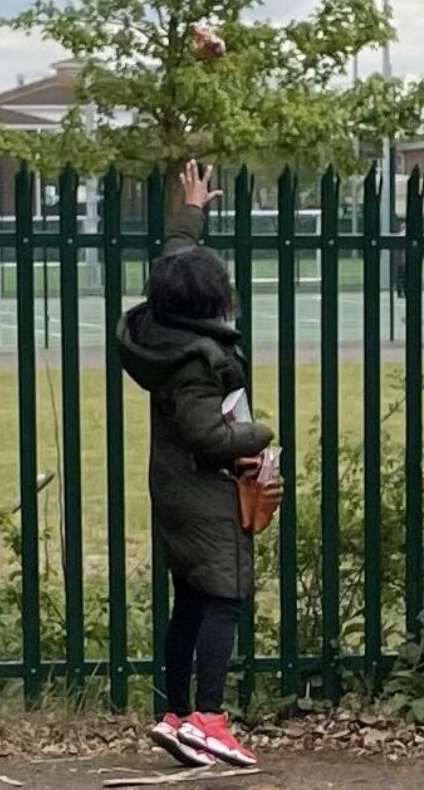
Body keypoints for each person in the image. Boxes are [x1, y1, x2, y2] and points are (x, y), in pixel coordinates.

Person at [117, 161, 281, 768]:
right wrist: (259, 433)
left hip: (173, 488)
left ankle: (175, 716)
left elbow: (175, 259)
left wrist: (191, 211)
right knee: (224, 597)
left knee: (189, 596)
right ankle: (210, 720)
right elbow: (206, 434)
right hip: (203, 489)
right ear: (211, 300)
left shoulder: (160, 323)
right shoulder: (196, 359)